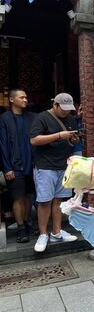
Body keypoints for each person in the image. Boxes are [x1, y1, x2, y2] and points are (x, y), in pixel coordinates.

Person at [30, 93, 80, 252]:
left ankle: (57, 232)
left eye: (69, 109)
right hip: (45, 165)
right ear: (55, 105)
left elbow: (72, 140)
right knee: (44, 201)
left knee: (60, 200)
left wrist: (73, 140)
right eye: (63, 109)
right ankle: (43, 234)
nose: (66, 112)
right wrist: (59, 135)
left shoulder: (71, 119)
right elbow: (34, 140)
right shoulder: (41, 118)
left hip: (64, 165)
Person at [0, 89, 36, 243]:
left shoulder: (31, 117)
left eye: (26, 97)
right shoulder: (4, 118)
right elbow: (2, 144)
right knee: (18, 197)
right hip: (14, 166)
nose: (25, 100)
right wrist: (7, 167)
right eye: (21, 97)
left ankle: (28, 223)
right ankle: (21, 227)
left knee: (28, 195)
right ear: (12, 100)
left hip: (31, 164)